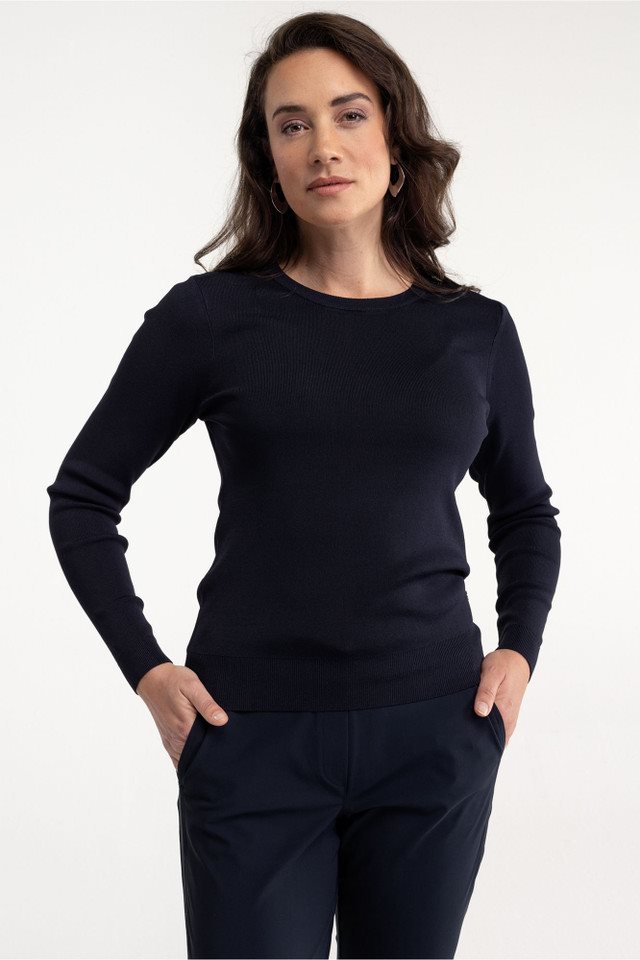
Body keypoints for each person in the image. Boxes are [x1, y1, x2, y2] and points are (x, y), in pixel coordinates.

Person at [46, 11, 562, 960]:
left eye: (348, 114)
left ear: (395, 143)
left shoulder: (475, 331)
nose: (323, 145)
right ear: (269, 162)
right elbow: (82, 497)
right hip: (251, 738)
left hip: (435, 734)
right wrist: (149, 672)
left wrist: (518, 651)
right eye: (292, 125)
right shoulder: (209, 319)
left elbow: (525, 512)